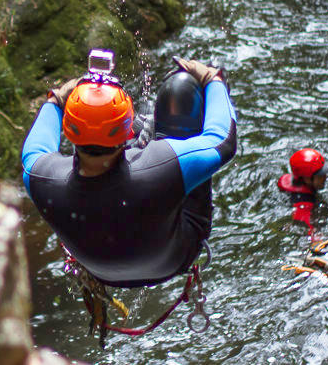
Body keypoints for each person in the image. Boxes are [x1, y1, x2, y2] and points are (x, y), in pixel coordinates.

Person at [21, 56, 237, 289]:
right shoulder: (163, 167)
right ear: (124, 134)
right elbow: (222, 140)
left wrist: (57, 99)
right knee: (180, 88)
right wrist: (213, 79)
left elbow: (34, 149)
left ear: (68, 129)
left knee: (142, 136)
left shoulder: (41, 179)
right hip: (175, 257)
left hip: (101, 271)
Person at [277, 148, 328, 235]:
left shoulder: (297, 178)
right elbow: (306, 229)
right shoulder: (304, 203)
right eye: (320, 175)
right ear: (307, 179)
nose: (325, 177)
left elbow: (319, 167)